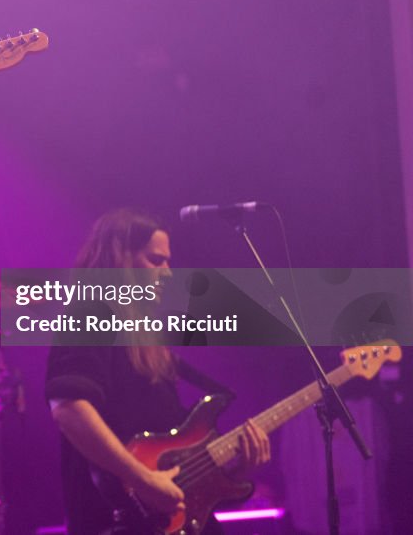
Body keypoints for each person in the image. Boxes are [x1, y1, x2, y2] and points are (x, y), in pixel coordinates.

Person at [45, 209, 270, 535]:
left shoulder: (149, 341)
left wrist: (235, 469)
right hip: (113, 521)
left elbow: (177, 464)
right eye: (155, 260)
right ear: (118, 261)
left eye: (168, 262)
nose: (167, 273)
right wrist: (144, 480)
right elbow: (68, 409)